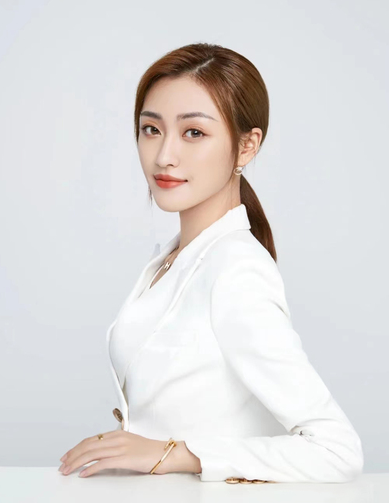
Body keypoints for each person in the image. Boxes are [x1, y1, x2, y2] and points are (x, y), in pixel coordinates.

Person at [58, 43, 364, 483]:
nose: (164, 155)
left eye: (194, 133)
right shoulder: (175, 259)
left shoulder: (236, 269)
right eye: (151, 129)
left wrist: (176, 454)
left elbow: (336, 450)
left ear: (246, 146)